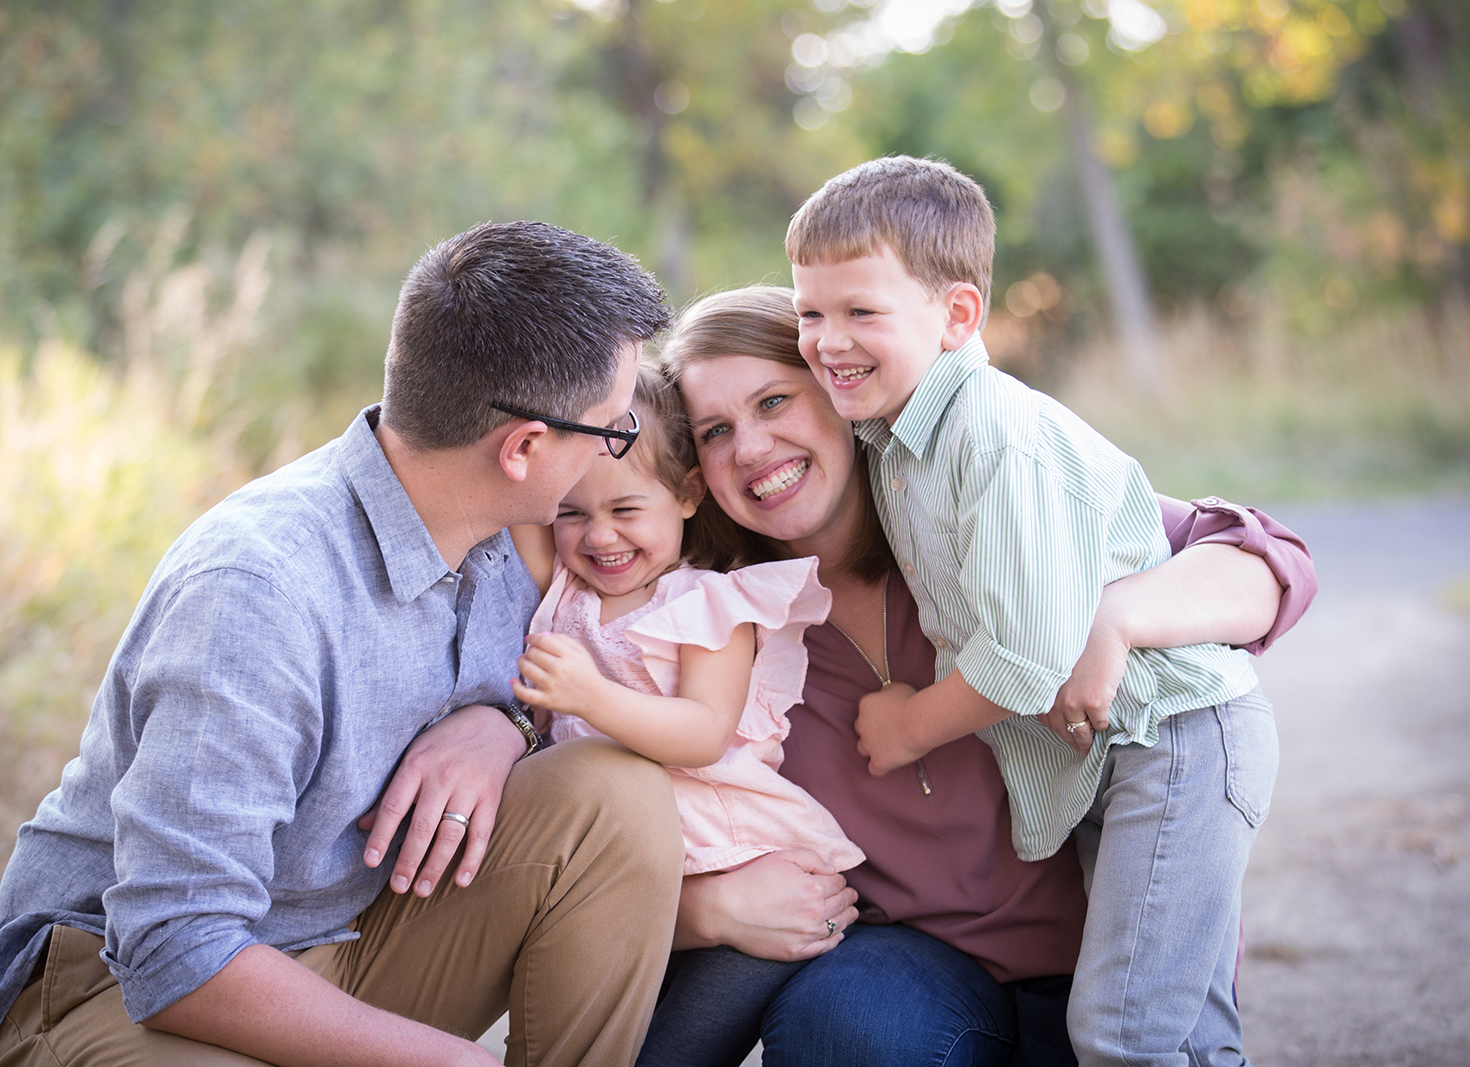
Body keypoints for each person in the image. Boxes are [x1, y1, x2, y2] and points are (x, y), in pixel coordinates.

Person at [0, 221, 687, 1067]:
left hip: (341, 937)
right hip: (121, 991)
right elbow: (173, 947)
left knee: (616, 801)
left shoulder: (497, 528)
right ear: (522, 447)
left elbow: (531, 686)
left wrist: (503, 728)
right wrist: (455, 1062)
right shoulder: (258, 591)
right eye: (611, 431)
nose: (613, 454)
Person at [661, 284, 1316, 1066]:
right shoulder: (712, 623)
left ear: (842, 390)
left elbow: (1267, 564)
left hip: (1106, 964)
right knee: (842, 1021)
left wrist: (1117, 617)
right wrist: (704, 910)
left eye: (775, 401)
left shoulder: (977, 503)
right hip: (921, 976)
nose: (751, 448)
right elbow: (622, 839)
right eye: (715, 431)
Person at [780, 154, 1280, 1066]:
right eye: (809, 312)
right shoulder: (893, 432)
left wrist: (913, 724)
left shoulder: (994, 436)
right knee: (1181, 1034)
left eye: (860, 311)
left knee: (1126, 1033)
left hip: (1171, 735)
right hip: (1120, 749)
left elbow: (1028, 654)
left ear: (958, 314)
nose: (826, 339)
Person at [507, 366, 864, 1067]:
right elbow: (520, 496)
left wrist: (591, 697)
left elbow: (703, 733)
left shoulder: (707, 606)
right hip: (629, 868)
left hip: (736, 858)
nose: (599, 536)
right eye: (574, 512)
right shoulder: (564, 591)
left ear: (687, 494)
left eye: (627, 510)